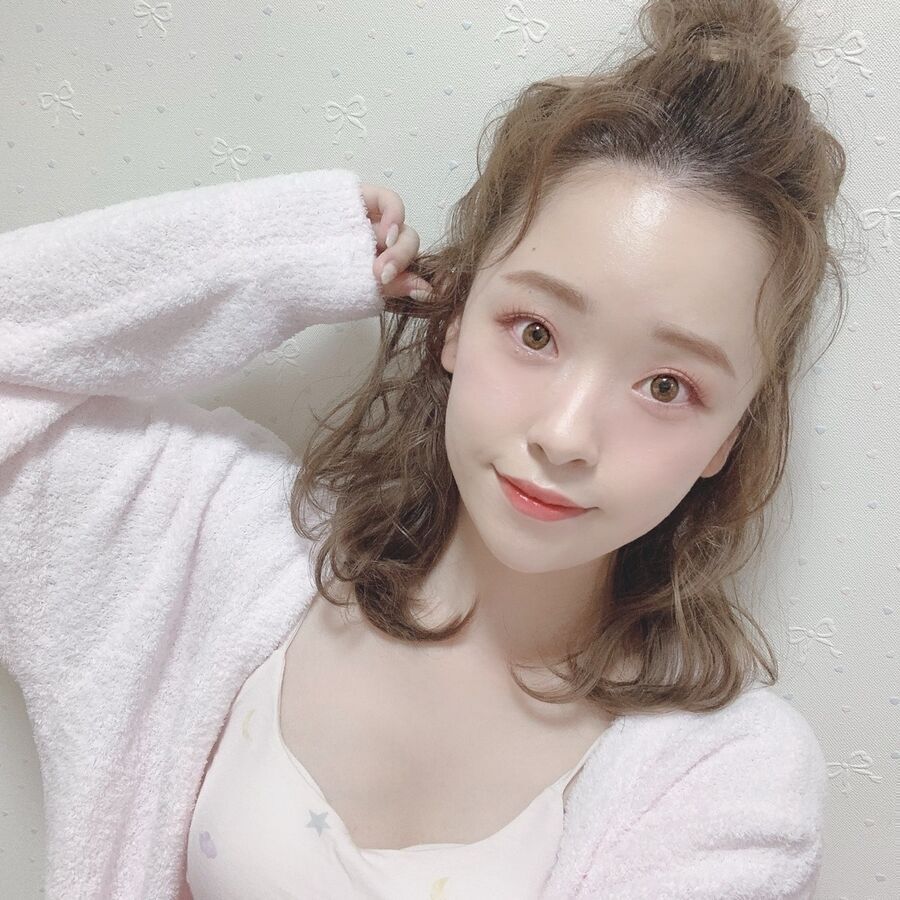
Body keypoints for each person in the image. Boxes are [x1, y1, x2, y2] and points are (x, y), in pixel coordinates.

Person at [1, 0, 848, 897]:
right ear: (453, 319)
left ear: (730, 439)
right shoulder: (210, 540)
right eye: (534, 332)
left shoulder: (728, 782)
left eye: (667, 386)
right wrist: (282, 255)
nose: (565, 436)